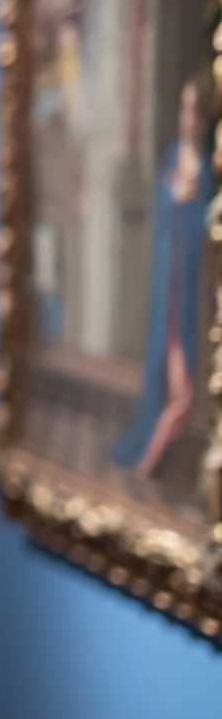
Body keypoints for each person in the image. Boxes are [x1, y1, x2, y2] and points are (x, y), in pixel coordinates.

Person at [112, 79, 214, 480]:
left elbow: (201, 219)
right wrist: (175, 194)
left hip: (187, 291)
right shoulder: (174, 156)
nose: (185, 119)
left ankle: (148, 461)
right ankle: (147, 461)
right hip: (169, 286)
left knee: (184, 389)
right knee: (175, 385)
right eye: (182, 109)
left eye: (192, 110)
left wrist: (190, 194)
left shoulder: (204, 164)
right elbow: (164, 211)